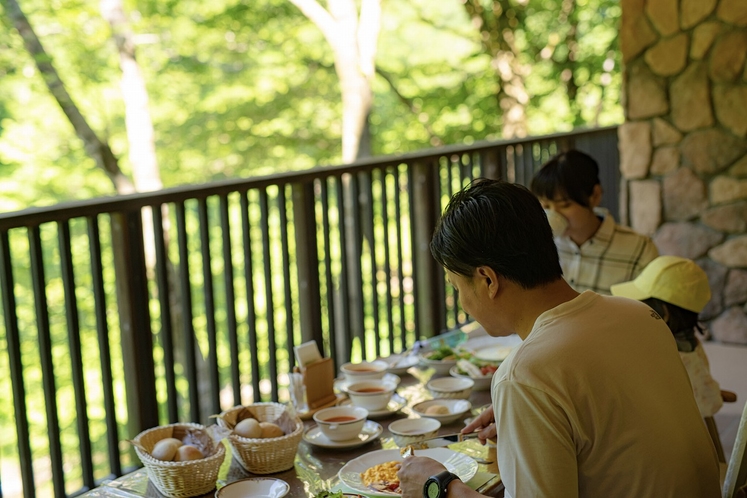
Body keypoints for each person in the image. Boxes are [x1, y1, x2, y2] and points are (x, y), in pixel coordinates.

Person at [397, 179, 720, 498]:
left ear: (487, 279)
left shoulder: (526, 376)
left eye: (457, 287)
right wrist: (538, 417)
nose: (463, 303)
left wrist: (441, 487)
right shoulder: (640, 315)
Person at [530, 149, 659, 295]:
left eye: (565, 204)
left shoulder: (640, 249)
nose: (554, 214)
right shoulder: (542, 246)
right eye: (546, 206)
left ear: (594, 196)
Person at [610, 255, 723, 417]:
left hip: (654, 431)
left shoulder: (657, 356)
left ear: (664, 313)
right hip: (692, 424)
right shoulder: (691, 345)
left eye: (640, 304)